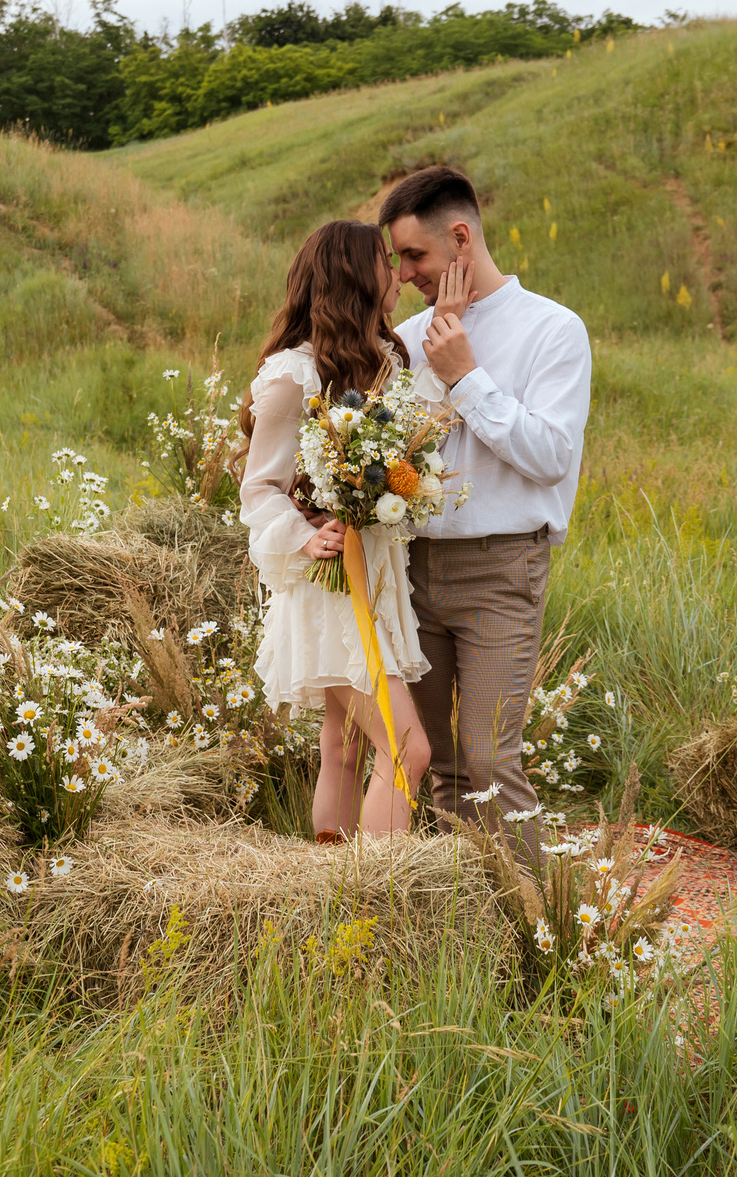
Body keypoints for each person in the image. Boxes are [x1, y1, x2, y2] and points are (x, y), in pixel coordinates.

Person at [381, 164, 592, 852]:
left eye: (415, 254)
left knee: (490, 763)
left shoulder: (553, 330)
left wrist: (465, 376)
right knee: (435, 764)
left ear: (461, 239)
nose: (405, 272)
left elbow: (551, 455)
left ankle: (540, 911)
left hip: (501, 570)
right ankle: (465, 909)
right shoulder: (407, 337)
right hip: (412, 566)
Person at [238, 220, 434, 838]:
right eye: (385, 261)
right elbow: (259, 489)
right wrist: (305, 536)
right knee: (407, 751)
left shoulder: (381, 364)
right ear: (355, 276)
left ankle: (330, 887)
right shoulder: (292, 376)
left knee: (345, 748)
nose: (398, 273)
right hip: (330, 583)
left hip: (375, 575)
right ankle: (375, 889)